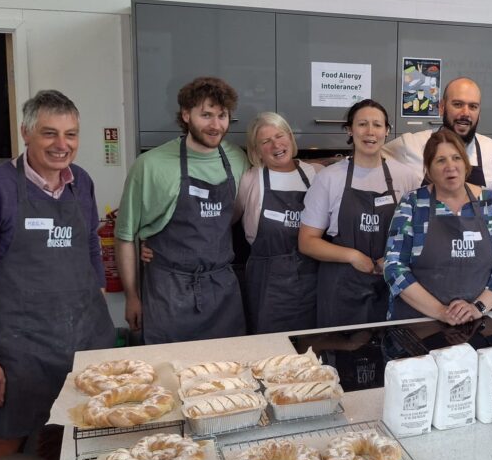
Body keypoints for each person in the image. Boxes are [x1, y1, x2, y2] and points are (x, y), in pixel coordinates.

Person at [0, 90, 114, 460]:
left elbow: (90, 244)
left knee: (71, 441)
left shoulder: (82, 183)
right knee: (0, 450)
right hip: (19, 349)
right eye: (49, 133)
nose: (62, 145)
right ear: (26, 133)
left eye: (71, 134)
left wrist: (99, 301)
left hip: (84, 341)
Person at [116, 76, 249, 344]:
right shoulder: (150, 165)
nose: (215, 125)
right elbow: (125, 236)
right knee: (168, 373)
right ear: (186, 115)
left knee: (228, 374)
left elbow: (232, 215)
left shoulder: (237, 158)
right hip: (168, 292)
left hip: (222, 289)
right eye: (206, 115)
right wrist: (132, 296)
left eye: (222, 115)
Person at [299, 99, 421, 328]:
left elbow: (420, 235)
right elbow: (307, 242)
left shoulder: (406, 177)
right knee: (341, 356)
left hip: (393, 284)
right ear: (350, 130)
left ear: (387, 131)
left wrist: (395, 258)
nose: (370, 131)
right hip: (341, 288)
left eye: (377, 124)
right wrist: (353, 256)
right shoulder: (329, 178)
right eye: (362, 124)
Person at [384, 129, 492, 324]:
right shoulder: (412, 204)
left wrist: (477, 307)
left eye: (456, 158)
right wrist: (440, 311)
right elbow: (394, 266)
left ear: (465, 164)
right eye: (440, 160)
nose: (451, 166)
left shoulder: (491, 203)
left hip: (480, 322)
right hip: (417, 323)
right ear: (428, 170)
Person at [237, 112, 321, 333]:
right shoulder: (251, 179)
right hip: (267, 283)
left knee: (310, 348)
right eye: (265, 141)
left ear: (290, 138)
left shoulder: (314, 174)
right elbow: (222, 223)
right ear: (256, 151)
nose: (276, 144)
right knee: (269, 351)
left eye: (279, 135)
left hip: (312, 278)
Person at [383, 76, 492, 189]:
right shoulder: (410, 145)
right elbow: (369, 156)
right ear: (442, 107)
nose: (466, 113)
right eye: (458, 104)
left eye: (473, 106)